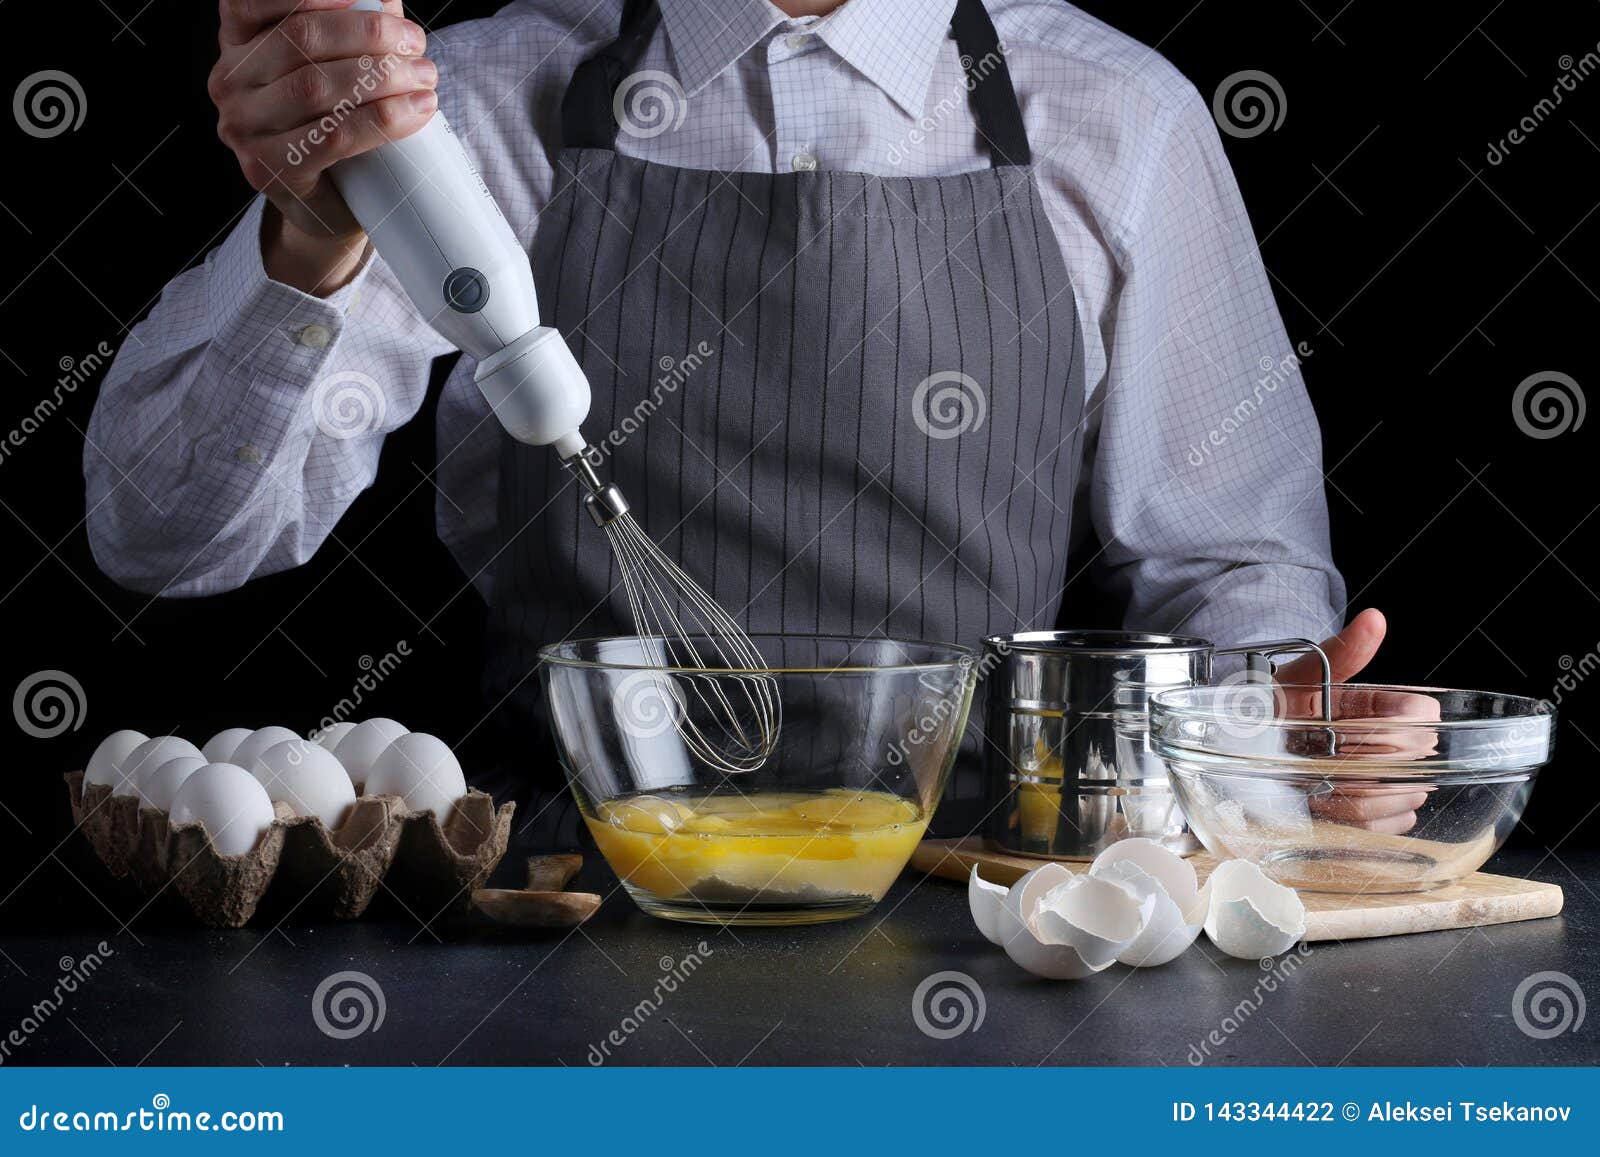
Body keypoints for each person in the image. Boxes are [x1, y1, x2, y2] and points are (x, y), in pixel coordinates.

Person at [84, 0, 1400, 829]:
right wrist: (315, 242)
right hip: (559, 915)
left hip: (996, 919)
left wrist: (1275, 750)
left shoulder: (1122, 120)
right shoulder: (458, 114)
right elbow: (168, 542)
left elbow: (1235, 574)